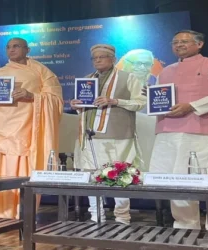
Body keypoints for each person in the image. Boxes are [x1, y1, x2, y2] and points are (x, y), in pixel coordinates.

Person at [0, 37, 63, 219]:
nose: (11, 50)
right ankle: (0, 213)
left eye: (16, 46)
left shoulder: (42, 72)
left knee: (24, 171)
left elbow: (55, 100)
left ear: (27, 49)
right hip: (0, 131)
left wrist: (32, 96)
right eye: (8, 47)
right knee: (0, 172)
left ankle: (23, 213)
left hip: (27, 131)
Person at [149, 30, 208, 230]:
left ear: (200, 44)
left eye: (184, 42)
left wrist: (192, 106)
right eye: (175, 42)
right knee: (174, 179)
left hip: (200, 130)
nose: (179, 45)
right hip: (167, 131)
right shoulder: (165, 70)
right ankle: (186, 228)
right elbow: (161, 100)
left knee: (201, 179)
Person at [70, 44, 146, 225]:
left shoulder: (129, 78)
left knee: (121, 176)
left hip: (117, 135)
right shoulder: (87, 79)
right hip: (89, 137)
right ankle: (96, 216)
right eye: (94, 58)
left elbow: (141, 102)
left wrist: (115, 101)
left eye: (102, 57)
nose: (97, 60)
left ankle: (122, 217)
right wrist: (76, 104)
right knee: (90, 175)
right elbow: (86, 105)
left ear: (113, 59)